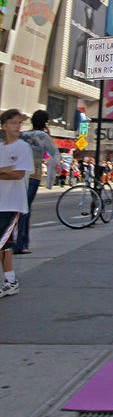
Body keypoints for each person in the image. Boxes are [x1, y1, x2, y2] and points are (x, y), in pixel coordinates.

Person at [0, 109, 34, 297]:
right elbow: (10, 171)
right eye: (13, 123)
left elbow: (18, 173)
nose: (17, 126)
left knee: (4, 243)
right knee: (4, 245)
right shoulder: (1, 148)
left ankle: (11, 281)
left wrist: (6, 170)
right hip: (1, 201)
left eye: (19, 123)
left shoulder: (22, 147)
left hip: (13, 204)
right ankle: (9, 280)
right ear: (4, 126)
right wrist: (6, 169)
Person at [16, 109, 59, 254]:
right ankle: (21, 244)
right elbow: (54, 156)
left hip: (19, 175)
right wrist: (50, 181)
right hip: (34, 176)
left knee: (19, 208)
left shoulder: (23, 135)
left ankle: (20, 242)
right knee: (25, 209)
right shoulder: (43, 136)